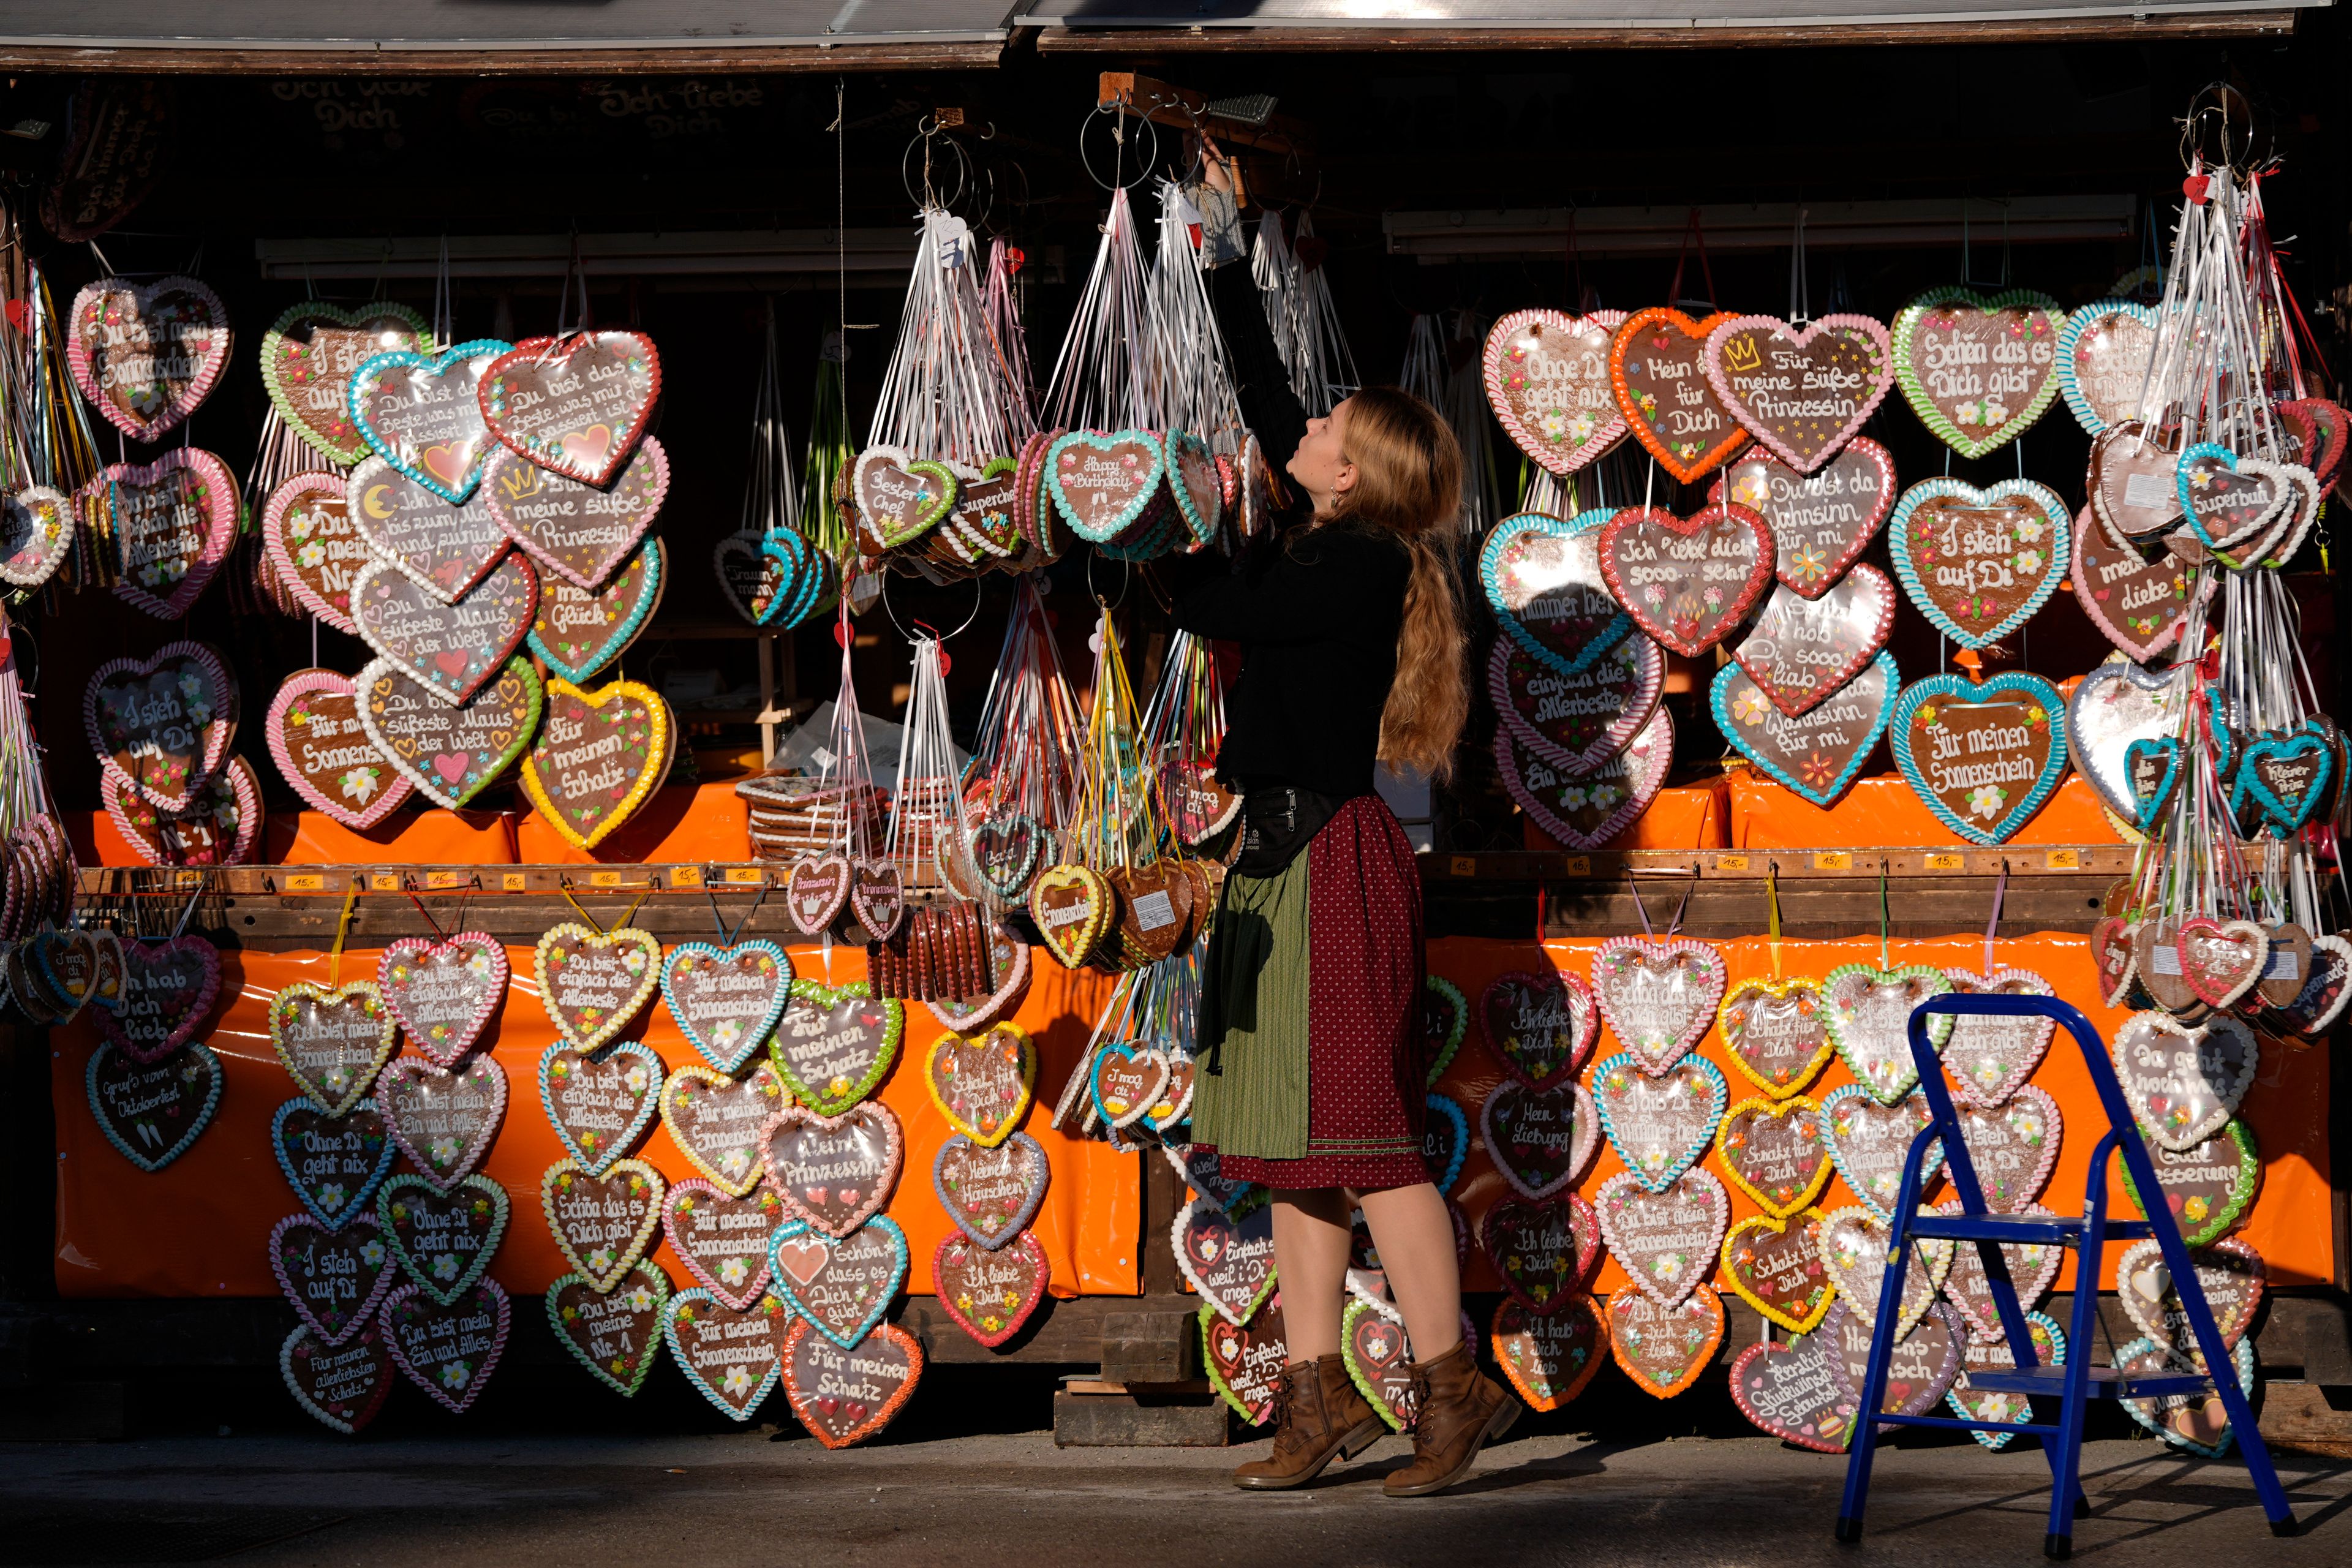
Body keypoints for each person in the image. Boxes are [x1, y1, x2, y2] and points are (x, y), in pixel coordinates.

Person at [1168, 138, 1518, 1498]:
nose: (1300, 430)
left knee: (1364, 1136)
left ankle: (1450, 1384)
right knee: (1284, 1145)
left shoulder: (1358, 567)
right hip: (1276, 859)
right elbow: (1261, 388)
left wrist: (1117, 539)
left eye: (1324, 433)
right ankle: (1310, 1399)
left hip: (1331, 861)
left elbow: (1221, 608)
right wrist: (1214, 239)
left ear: (1350, 476)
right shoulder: (1334, 535)